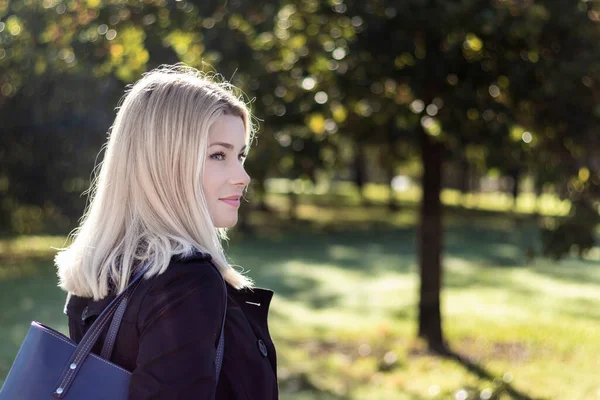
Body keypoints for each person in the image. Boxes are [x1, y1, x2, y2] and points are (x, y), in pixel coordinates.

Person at [54, 64, 279, 399]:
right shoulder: (187, 283)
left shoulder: (101, 270)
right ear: (166, 163)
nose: (242, 176)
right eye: (218, 155)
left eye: (241, 155)